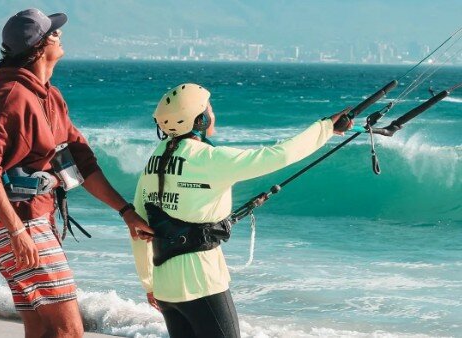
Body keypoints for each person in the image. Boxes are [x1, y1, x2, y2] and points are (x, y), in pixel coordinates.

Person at [0, 8, 152, 338]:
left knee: (40, 331)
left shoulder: (50, 96)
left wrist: (126, 212)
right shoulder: (9, 95)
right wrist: (16, 231)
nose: (60, 35)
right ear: (38, 45)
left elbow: (82, 164)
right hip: (18, 228)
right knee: (69, 331)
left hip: (34, 225)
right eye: (53, 32)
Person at [130, 83, 353, 338]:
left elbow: (137, 229)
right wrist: (324, 128)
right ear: (199, 119)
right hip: (201, 282)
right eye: (209, 109)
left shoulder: (154, 159)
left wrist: (149, 283)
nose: (213, 114)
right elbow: (278, 155)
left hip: (165, 286)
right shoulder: (209, 159)